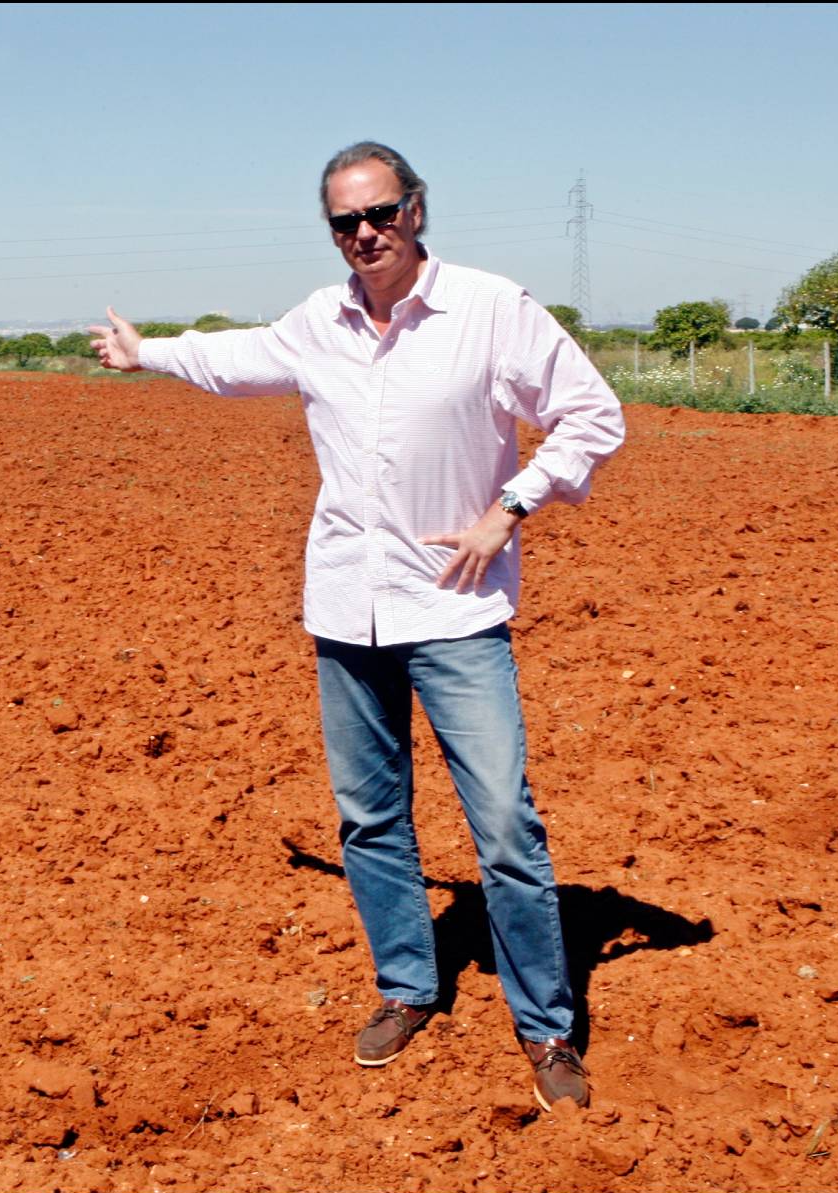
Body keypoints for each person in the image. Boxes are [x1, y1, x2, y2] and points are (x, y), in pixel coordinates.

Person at [88, 141, 625, 1111]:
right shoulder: (317, 324)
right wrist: (147, 353)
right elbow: (232, 356)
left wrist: (512, 503)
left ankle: (547, 1030)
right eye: (346, 222)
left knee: (503, 823)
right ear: (331, 231)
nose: (366, 234)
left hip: (456, 610)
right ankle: (407, 987)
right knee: (371, 816)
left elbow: (591, 413)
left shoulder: (491, 311)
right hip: (346, 607)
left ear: (417, 209)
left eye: (381, 213)